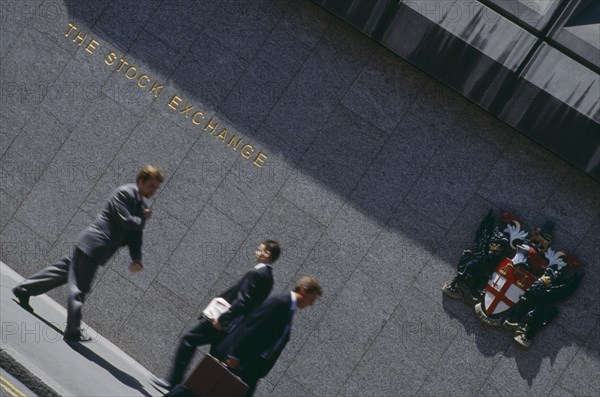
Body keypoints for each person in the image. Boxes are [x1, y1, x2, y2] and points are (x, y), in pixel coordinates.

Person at [12, 165, 164, 342]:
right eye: (152, 186)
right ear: (140, 181)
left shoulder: (142, 204)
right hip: (94, 244)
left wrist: (136, 258)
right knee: (79, 288)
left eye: (156, 187)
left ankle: (24, 289)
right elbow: (127, 222)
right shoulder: (125, 193)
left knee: (61, 272)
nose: (154, 190)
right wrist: (142, 219)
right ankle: (73, 330)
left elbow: (135, 236)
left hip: (95, 247)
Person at [153, 240, 281, 391]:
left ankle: (174, 382)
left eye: (260, 249)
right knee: (215, 359)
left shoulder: (256, 273)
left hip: (224, 321)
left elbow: (242, 301)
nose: (256, 252)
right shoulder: (269, 278)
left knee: (189, 339)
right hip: (235, 325)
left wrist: (222, 319)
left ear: (267, 254)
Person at [167, 276, 323, 397]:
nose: (311, 304)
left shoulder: (288, 310)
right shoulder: (279, 303)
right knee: (197, 387)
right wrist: (235, 355)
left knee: (202, 388)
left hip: (249, 367)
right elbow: (252, 326)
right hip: (236, 360)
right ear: (303, 290)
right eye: (312, 298)